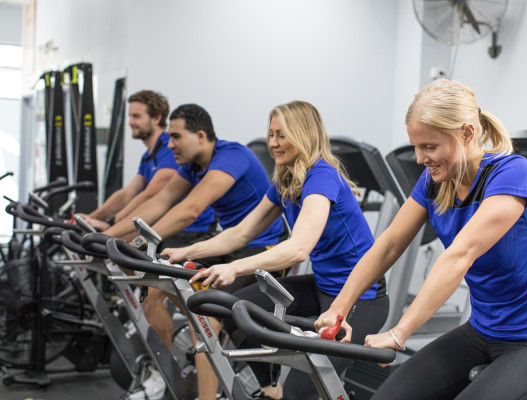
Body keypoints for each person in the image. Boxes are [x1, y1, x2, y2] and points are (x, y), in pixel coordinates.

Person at [315, 79, 527, 400]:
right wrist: (338, 309)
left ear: (467, 133)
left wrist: (399, 333)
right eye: (416, 146)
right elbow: (389, 245)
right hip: (481, 332)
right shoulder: (433, 182)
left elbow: (460, 255)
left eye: (429, 146)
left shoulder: (511, 172)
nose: (419, 157)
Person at [164, 100, 389, 400]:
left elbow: (299, 249)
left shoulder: (321, 176)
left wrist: (234, 268)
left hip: (361, 295)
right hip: (323, 286)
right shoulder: (285, 180)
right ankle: (271, 388)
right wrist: (186, 252)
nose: (273, 143)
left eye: (281, 135)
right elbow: (242, 232)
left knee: (301, 391)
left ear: (303, 134)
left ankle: (285, 392)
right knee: (234, 308)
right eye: (271, 135)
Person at [105, 103, 284, 400]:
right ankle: (171, 374)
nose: (169, 144)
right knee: (152, 292)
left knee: (205, 317)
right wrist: (105, 236)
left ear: (200, 136)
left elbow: (190, 209)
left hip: (258, 248)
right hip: (226, 243)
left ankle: (207, 395)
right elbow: (160, 202)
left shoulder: (231, 156)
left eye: (175, 137)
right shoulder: (192, 166)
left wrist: (138, 242)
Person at [78, 90, 214, 232]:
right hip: (163, 226)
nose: (130, 122)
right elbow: (127, 193)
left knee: (116, 241)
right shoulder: (148, 154)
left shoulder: (170, 149)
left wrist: (113, 223)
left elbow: (150, 195)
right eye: (130, 116)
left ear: (156, 118)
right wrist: (91, 218)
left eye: (136, 116)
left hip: (190, 231)